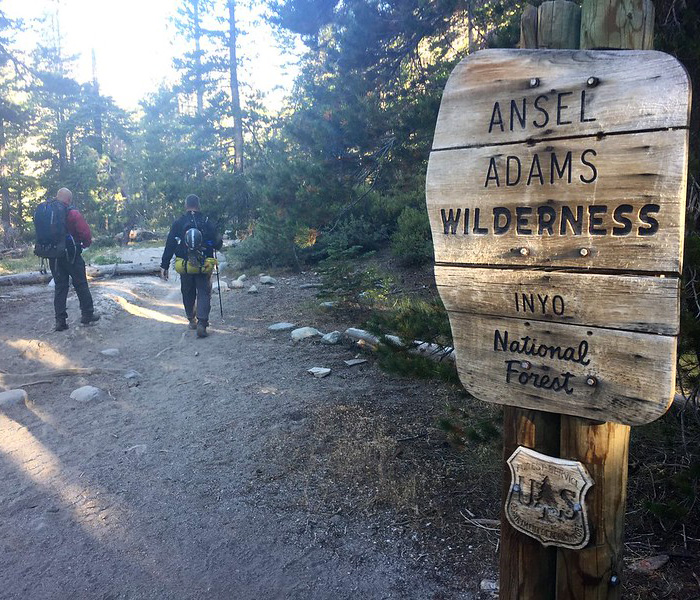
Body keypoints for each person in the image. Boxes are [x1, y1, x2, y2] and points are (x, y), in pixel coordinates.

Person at [160, 194, 222, 338]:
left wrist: (164, 265)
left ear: (186, 205)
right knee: (204, 292)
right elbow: (217, 243)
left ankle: (191, 319)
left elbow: (170, 244)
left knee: (187, 291)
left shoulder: (179, 222)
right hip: (204, 263)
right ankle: (202, 322)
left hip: (185, 264)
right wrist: (212, 245)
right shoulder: (206, 221)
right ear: (198, 205)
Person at [47, 188, 100, 331]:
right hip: (71, 255)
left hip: (54, 256)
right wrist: (85, 244)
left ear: (57, 197)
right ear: (69, 199)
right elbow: (85, 232)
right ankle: (87, 315)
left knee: (60, 287)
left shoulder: (47, 212)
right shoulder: (72, 213)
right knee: (81, 284)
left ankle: (60, 322)